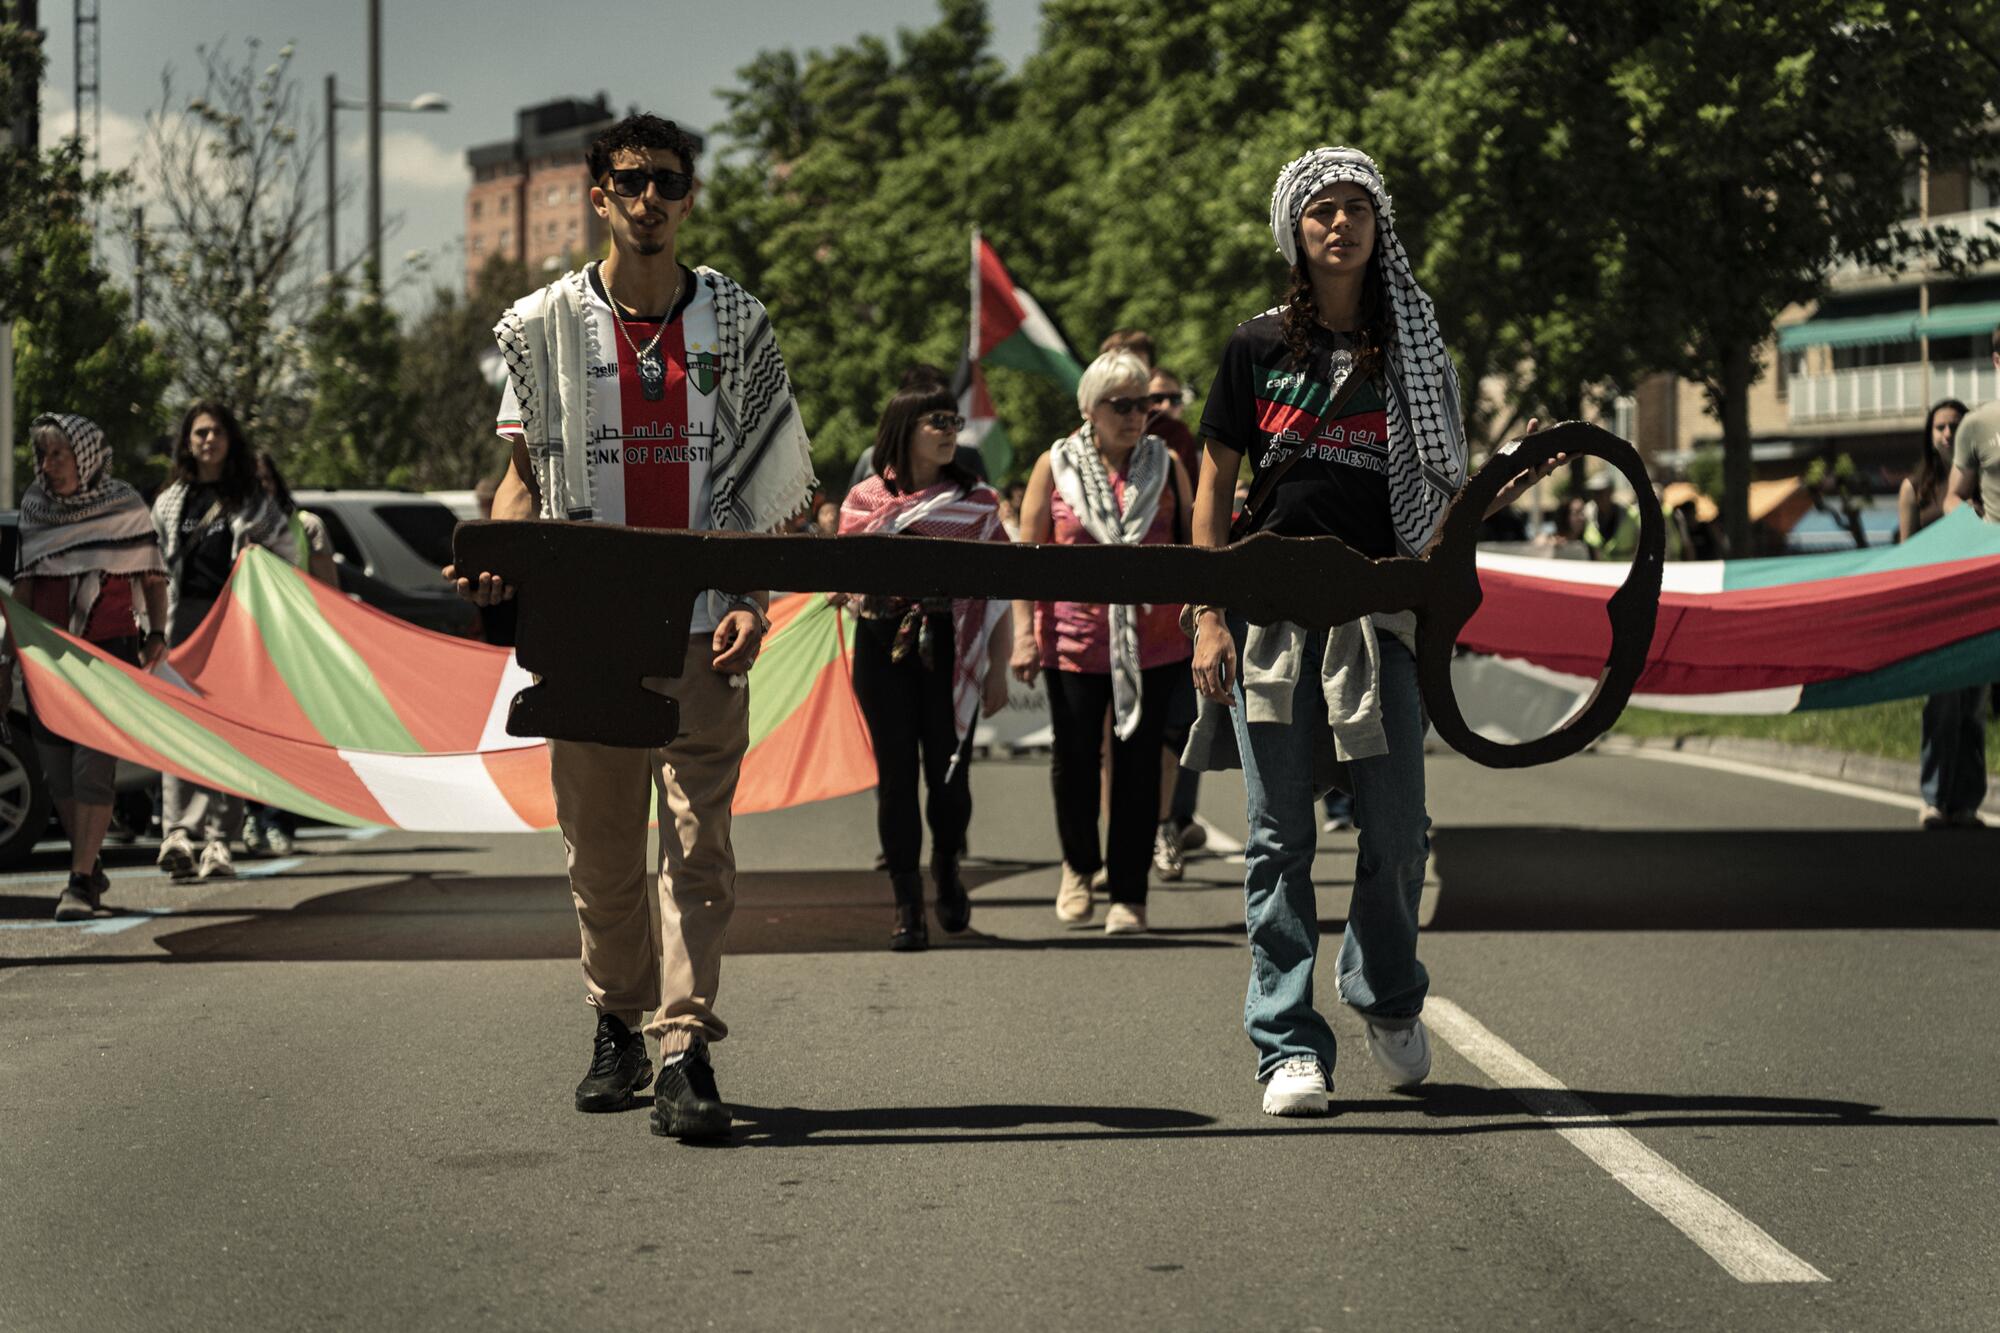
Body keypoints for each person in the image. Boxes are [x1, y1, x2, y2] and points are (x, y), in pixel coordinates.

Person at [445, 113, 815, 1142]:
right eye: (629, 181)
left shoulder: (736, 323)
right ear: (597, 195)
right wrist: (496, 555)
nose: (650, 198)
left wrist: (749, 599)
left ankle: (683, 1044)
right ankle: (616, 1013)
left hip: (703, 624)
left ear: (689, 196)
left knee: (700, 845)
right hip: (592, 629)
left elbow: (762, 484)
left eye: (669, 181)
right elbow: (520, 479)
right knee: (602, 851)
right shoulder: (542, 326)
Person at [1184, 147, 1557, 1116]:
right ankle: (1284, 1045)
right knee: (1277, 840)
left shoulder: (1414, 355)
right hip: (1268, 620)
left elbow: (1442, 490)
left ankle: (1385, 993)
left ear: (1376, 228)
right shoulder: (1252, 346)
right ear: (1294, 235)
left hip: (1377, 615)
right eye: (1320, 213)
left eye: (1354, 209)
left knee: (1397, 830)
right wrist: (1204, 614)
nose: (1338, 225)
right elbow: (1211, 485)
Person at [1010, 349, 1195, 936]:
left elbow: (1194, 550)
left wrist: (1204, 618)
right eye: (1121, 404)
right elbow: (1028, 557)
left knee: (1140, 769)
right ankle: (1078, 866)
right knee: (1075, 762)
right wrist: (1023, 635)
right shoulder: (1054, 465)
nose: (1135, 414)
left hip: (1156, 642)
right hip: (1073, 641)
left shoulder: (1166, 464)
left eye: (1143, 403)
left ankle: (1130, 895)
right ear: (1089, 408)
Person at [833, 373, 1012, 950]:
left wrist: (999, 666)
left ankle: (949, 869)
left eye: (954, 422)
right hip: (881, 646)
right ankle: (908, 905)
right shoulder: (864, 501)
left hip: (950, 646)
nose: (950, 432)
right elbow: (845, 580)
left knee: (950, 777)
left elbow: (1002, 592)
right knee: (896, 781)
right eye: (938, 422)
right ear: (903, 430)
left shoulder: (979, 503)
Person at [1, 415, 169, 919]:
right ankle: (89, 865)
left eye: (58, 454)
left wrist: (157, 633)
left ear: (86, 457)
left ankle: (77, 883)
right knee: (58, 776)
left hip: (107, 654)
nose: (47, 465)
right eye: (44, 455)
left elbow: (153, 577)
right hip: (47, 658)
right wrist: (8, 659)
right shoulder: (35, 507)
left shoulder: (123, 505)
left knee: (92, 771)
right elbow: (25, 588)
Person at [151, 402, 296, 882]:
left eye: (215, 432)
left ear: (230, 440)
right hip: (181, 624)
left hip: (233, 627)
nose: (207, 440)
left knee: (226, 733)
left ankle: (219, 840)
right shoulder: (172, 500)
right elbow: (152, 566)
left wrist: (260, 563)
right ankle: (178, 834)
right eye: (198, 433)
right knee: (179, 728)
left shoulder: (252, 500)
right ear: (186, 443)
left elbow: (286, 555)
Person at [241, 450, 336, 858]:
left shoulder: (307, 526)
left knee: (284, 735)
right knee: (248, 734)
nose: (258, 488)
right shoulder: (233, 528)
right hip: (245, 645)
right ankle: (252, 814)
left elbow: (327, 593)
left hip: (291, 645)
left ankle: (278, 821)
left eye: (264, 479)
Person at [1903, 398, 1986, 829]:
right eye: (1940, 427)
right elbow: (1902, 559)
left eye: (1956, 426)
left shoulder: (1984, 489)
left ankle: (1967, 804)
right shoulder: (1914, 489)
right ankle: (1934, 800)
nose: (1948, 434)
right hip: (1934, 616)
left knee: (1972, 710)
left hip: (1976, 611)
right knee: (1942, 708)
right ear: (1929, 434)